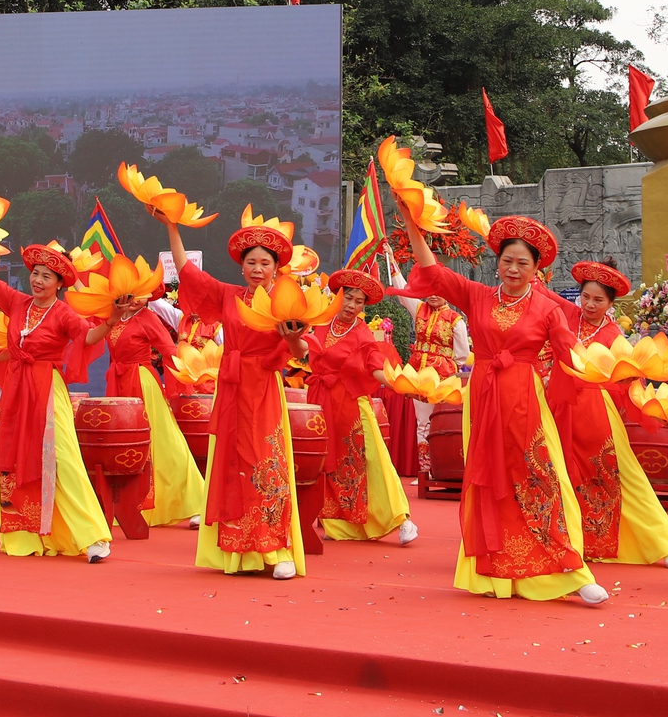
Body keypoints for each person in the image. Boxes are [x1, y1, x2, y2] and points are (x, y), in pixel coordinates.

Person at [401, 214, 605, 605]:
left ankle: (570, 569)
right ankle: (494, 571)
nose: (513, 269)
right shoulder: (477, 296)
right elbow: (432, 270)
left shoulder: (547, 309)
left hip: (524, 398)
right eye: (507, 260)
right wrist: (413, 224)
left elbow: (571, 356)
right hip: (483, 397)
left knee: (540, 475)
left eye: (522, 263)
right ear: (498, 261)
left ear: (536, 269)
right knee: (488, 479)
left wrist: (618, 373)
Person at [164, 209, 308, 580]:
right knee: (231, 465)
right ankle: (238, 552)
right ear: (242, 267)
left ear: (276, 268)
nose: (257, 268)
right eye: (251, 262)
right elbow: (189, 274)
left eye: (264, 262)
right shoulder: (229, 296)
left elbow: (301, 351)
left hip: (262, 388)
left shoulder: (285, 301)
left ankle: (278, 549)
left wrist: (292, 339)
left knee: (265, 462)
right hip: (230, 388)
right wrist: (171, 226)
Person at [0, 244, 113, 561]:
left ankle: (92, 536)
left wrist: (113, 320)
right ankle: (23, 536)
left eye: (46, 277)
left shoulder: (64, 313)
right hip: (17, 389)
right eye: (35, 274)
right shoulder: (18, 303)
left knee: (63, 460)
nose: (38, 281)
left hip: (46, 389)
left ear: (59, 284)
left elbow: (88, 338)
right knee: (13, 456)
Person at [558, 261, 668, 568]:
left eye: (598, 300)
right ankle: (576, 542)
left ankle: (664, 543)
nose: (589, 304)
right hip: (561, 407)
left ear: (611, 304)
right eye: (585, 297)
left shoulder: (614, 335)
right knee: (565, 475)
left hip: (596, 412)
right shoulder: (566, 315)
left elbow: (632, 379)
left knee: (622, 474)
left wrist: (655, 410)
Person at [306, 268, 416, 546]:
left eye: (359, 302)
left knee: (373, 462)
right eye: (349, 298)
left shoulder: (362, 334)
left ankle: (401, 518)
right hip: (322, 402)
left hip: (353, 405)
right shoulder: (320, 323)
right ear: (337, 296)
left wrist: (400, 385)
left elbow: (376, 367)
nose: (352, 306)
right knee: (329, 464)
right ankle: (341, 524)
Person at [83, 287, 205, 529]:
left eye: (141, 294)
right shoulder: (114, 315)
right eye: (131, 293)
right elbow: (88, 300)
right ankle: (126, 503)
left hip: (141, 383)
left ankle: (197, 500)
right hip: (117, 383)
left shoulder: (148, 318)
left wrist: (189, 376)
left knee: (163, 441)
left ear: (150, 297)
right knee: (120, 443)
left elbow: (169, 350)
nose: (134, 299)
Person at [385, 256, 471, 478]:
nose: (433, 294)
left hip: (443, 380)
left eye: (439, 290)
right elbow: (403, 292)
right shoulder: (419, 310)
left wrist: (445, 369)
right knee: (422, 423)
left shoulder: (455, 320)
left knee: (441, 423)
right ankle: (425, 472)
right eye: (430, 289)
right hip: (419, 377)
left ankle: (442, 467)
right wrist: (391, 261)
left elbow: (462, 355)